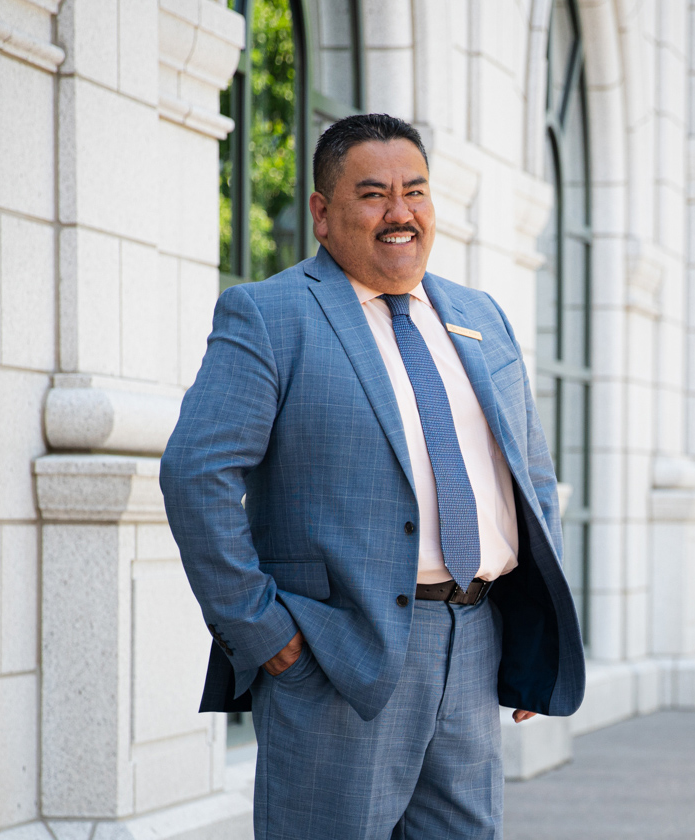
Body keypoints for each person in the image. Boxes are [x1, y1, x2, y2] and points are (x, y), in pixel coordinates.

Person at [160, 113, 584, 840]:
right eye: (373, 194)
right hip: (335, 657)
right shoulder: (270, 315)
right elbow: (195, 474)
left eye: (415, 191)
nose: (400, 213)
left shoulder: (481, 317)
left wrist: (528, 628)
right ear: (323, 213)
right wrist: (268, 637)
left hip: (476, 642)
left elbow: (529, 479)